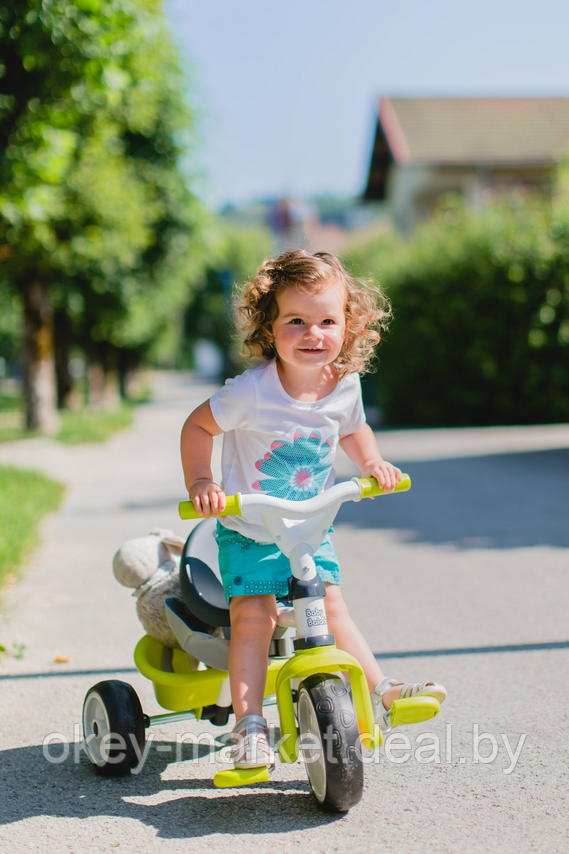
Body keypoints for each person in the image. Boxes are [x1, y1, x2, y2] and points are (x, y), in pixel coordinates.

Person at [181, 250, 446, 769]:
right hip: (251, 531)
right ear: (269, 327)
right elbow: (197, 427)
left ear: (349, 325)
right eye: (295, 321)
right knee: (253, 618)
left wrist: (372, 462)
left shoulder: (344, 384)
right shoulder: (251, 392)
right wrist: (202, 481)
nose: (313, 333)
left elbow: (352, 428)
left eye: (328, 320)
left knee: (332, 607)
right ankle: (250, 726)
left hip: (308, 529)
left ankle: (383, 689)